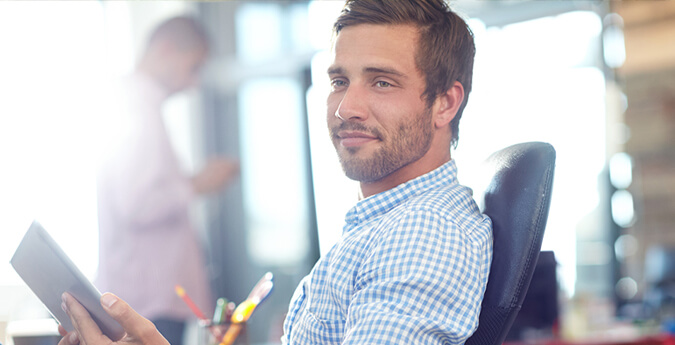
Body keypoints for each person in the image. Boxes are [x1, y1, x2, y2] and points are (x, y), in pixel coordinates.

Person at [58, 1, 492, 344]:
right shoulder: (378, 228)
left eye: (382, 82)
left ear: (445, 103)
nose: (346, 108)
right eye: (339, 81)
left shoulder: (423, 232)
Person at [94, 16, 238, 345]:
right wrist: (197, 184)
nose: (194, 83)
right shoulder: (134, 108)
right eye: (194, 67)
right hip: (147, 303)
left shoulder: (137, 105)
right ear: (167, 49)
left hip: (147, 299)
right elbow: (136, 203)